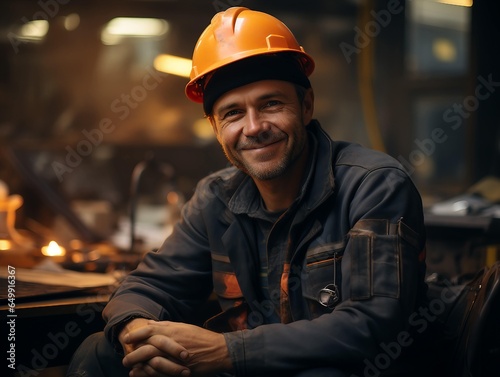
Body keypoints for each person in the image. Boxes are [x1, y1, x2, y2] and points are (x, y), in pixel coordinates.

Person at [67, 6, 429, 377]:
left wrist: (228, 351)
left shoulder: (374, 185)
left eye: (271, 104)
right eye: (233, 113)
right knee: (99, 352)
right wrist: (137, 333)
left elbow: (373, 324)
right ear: (214, 125)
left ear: (306, 107)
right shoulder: (216, 199)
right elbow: (149, 286)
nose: (254, 127)